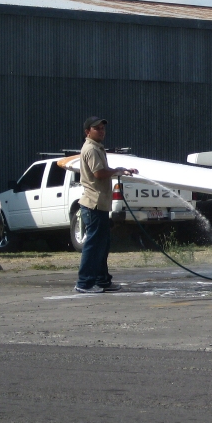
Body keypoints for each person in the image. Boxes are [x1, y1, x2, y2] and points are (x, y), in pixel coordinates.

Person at [75, 117, 137, 294]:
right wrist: (117, 171)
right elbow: (99, 173)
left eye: (103, 128)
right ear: (88, 132)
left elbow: (104, 171)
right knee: (94, 245)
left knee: (102, 245)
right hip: (93, 205)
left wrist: (121, 169)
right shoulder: (91, 149)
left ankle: (102, 280)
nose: (101, 131)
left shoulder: (98, 148)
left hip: (100, 205)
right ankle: (84, 283)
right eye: (97, 128)